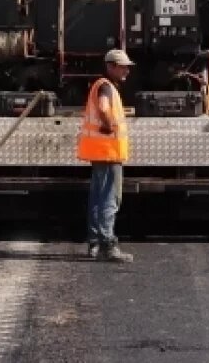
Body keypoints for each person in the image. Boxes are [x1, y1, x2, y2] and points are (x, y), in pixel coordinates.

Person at [77, 49, 134, 263]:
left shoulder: (101, 85)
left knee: (98, 198)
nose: (127, 70)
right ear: (110, 66)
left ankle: (94, 243)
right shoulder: (106, 87)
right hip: (109, 153)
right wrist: (109, 125)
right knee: (111, 199)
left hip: (100, 152)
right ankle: (108, 245)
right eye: (122, 66)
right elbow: (103, 107)